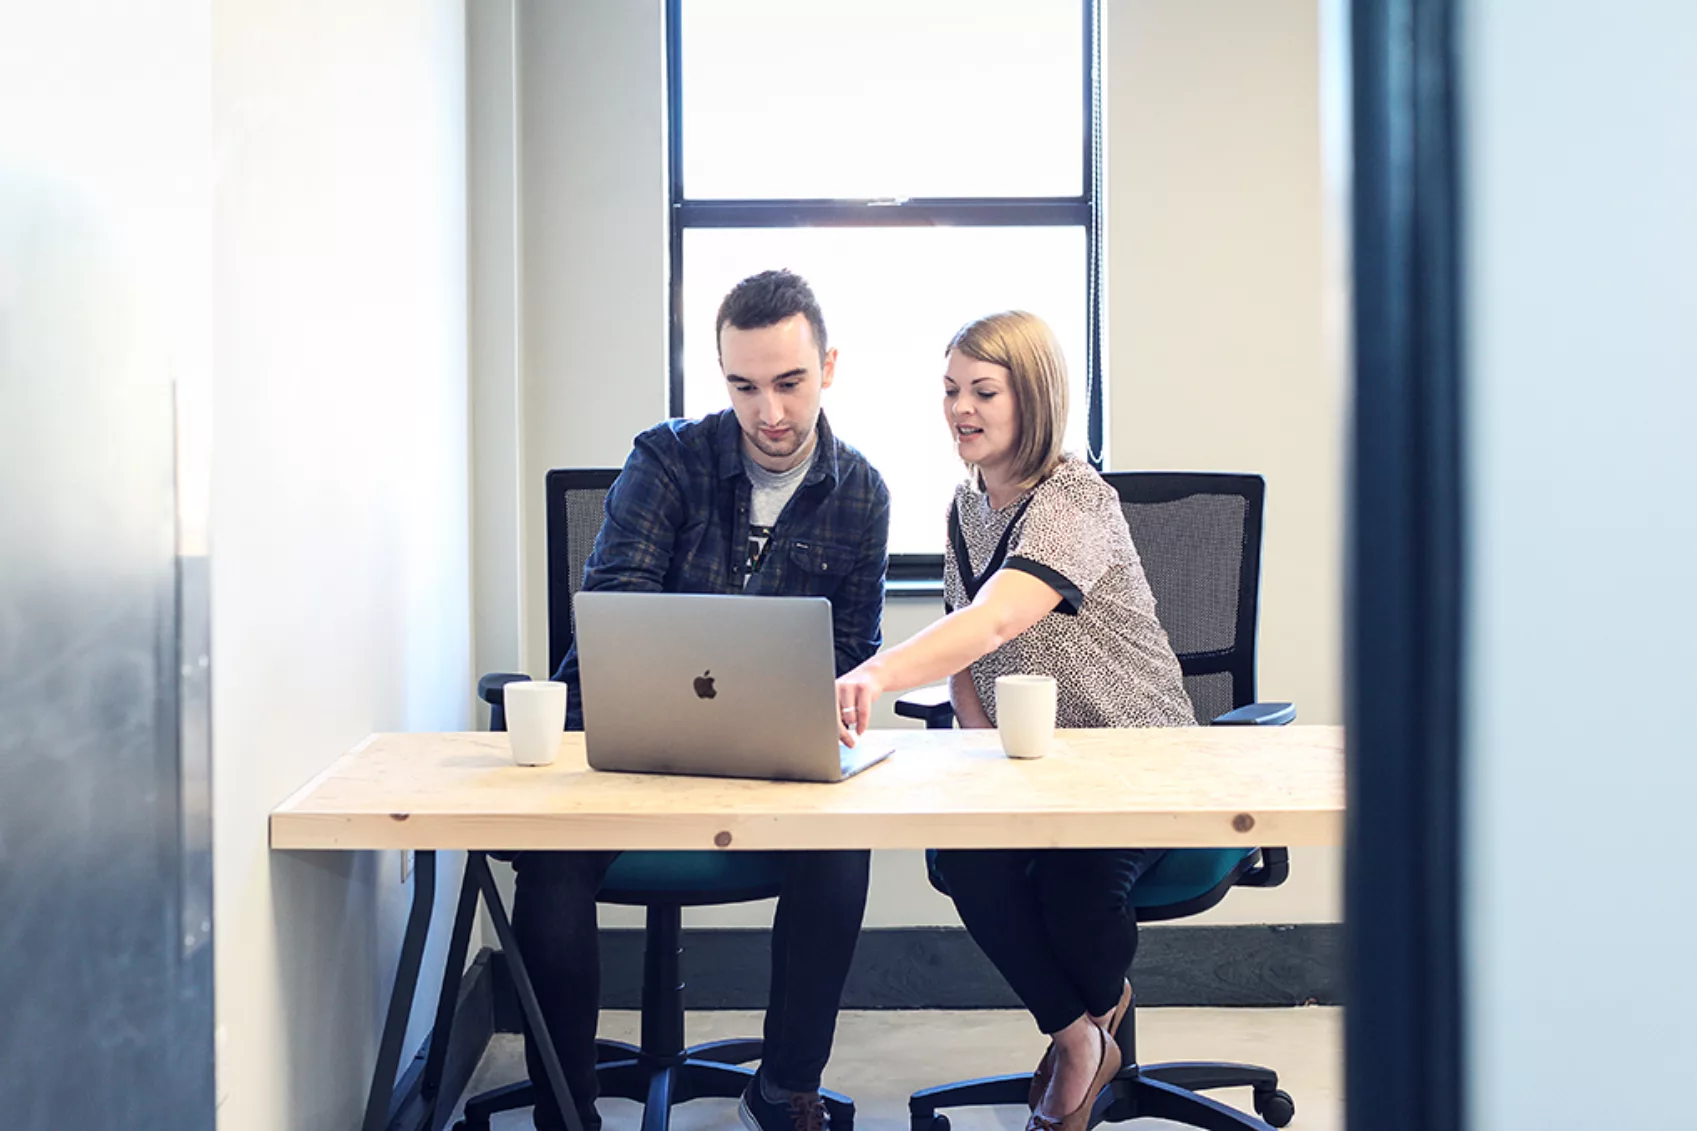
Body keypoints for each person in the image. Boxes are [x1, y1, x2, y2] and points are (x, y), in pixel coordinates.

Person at [515, 270, 890, 1131]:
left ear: (827, 367)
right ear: (720, 374)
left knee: (841, 848)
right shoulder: (668, 457)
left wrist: (791, 708)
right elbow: (615, 605)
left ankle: (784, 1084)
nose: (769, 412)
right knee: (547, 859)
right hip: (629, 750)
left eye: (789, 382)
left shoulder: (861, 492)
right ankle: (565, 1113)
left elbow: (848, 651)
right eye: (744, 385)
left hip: (769, 766)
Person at [832, 311, 1195, 1131]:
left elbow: (996, 618)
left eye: (982, 390)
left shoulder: (1073, 498)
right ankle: (1079, 1037)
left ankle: (1092, 1021)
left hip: (1132, 758)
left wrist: (875, 672)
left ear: (1030, 397)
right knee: (965, 857)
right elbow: (968, 651)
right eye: (951, 389)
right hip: (1030, 762)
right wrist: (972, 740)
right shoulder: (966, 510)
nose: (961, 407)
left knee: (1072, 892)